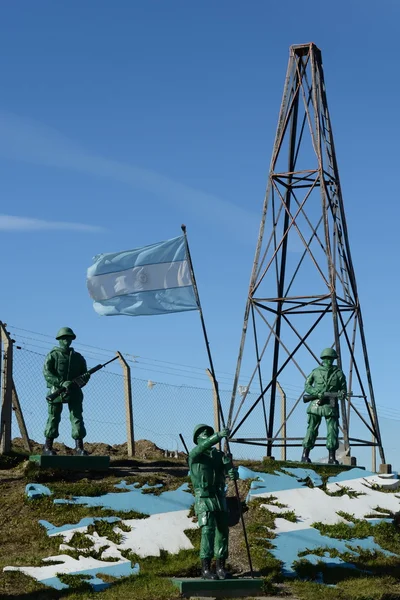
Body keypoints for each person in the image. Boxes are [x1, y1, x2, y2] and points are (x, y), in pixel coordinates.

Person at [189, 424, 238, 580]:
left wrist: (230, 468)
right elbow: (204, 445)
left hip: (219, 497)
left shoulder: (217, 456)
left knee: (223, 532)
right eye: (203, 434)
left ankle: (221, 567)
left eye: (208, 433)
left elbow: (229, 473)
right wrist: (218, 435)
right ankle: (205, 568)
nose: (206, 435)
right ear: (197, 439)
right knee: (207, 531)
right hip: (204, 498)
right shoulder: (195, 454)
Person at [43, 327, 90, 456]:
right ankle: (47, 447)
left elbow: (84, 374)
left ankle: (79, 448)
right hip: (56, 391)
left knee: (77, 418)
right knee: (53, 418)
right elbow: (47, 373)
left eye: (68, 338)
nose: (66, 341)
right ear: (59, 339)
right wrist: (61, 383)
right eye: (63, 338)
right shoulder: (52, 355)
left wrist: (82, 380)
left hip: (74, 392)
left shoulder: (78, 357)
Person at [301, 347, 347, 465]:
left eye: (331, 359)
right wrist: (316, 393)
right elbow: (307, 385)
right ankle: (305, 454)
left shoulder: (339, 374)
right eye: (326, 359)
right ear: (323, 359)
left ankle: (332, 457)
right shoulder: (316, 372)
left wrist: (342, 394)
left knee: (332, 431)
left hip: (331, 404)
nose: (328, 361)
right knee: (311, 429)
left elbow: (343, 389)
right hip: (315, 404)